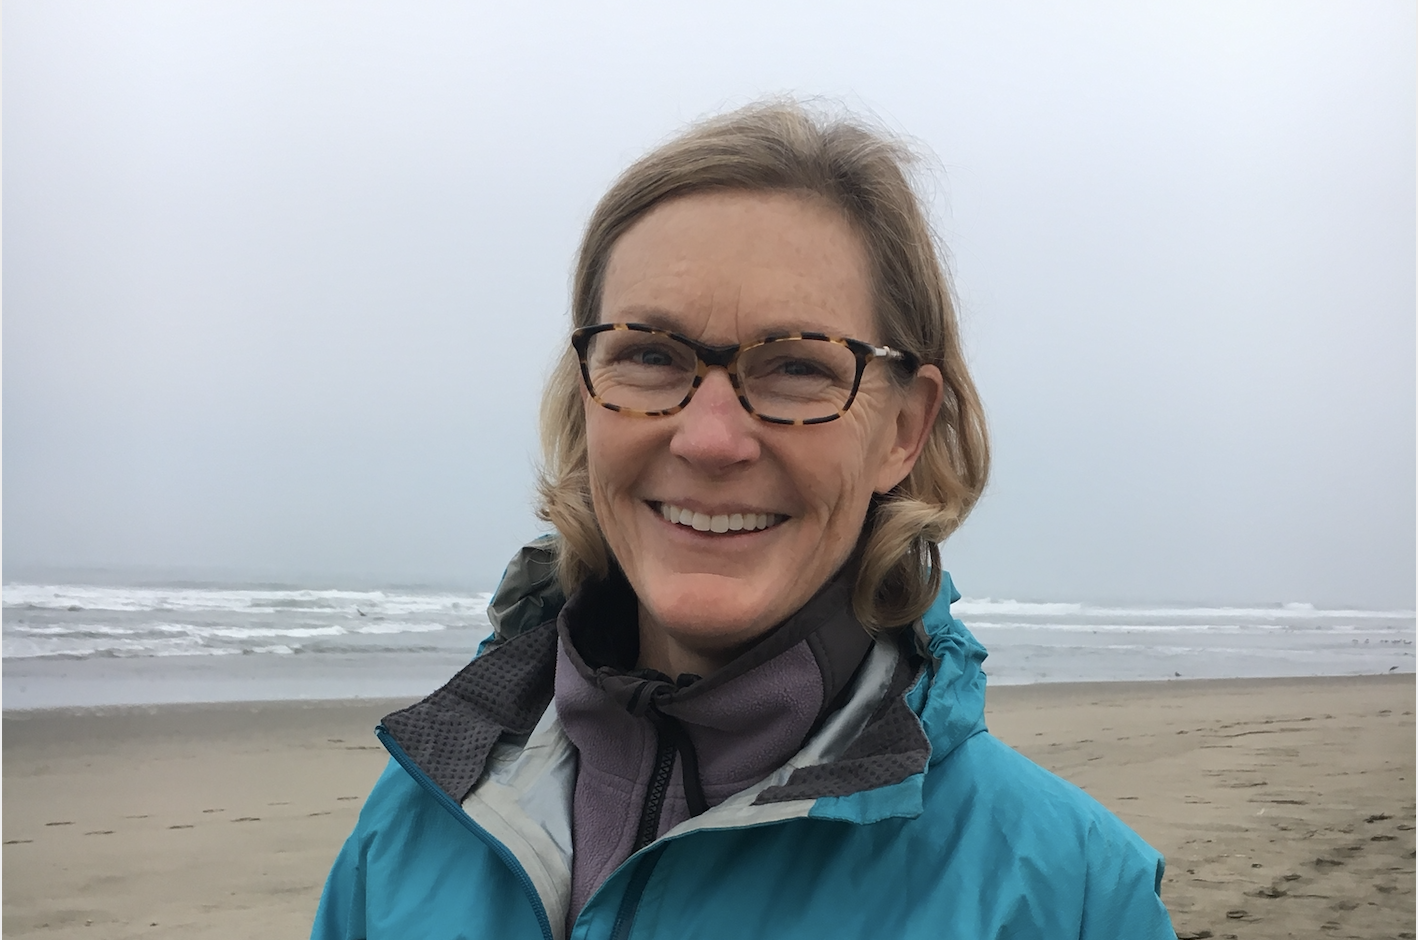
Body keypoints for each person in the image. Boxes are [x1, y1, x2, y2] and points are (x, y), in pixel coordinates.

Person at [312, 100, 1177, 940]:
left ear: (905, 429)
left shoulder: (1072, 898)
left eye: (797, 367)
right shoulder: (411, 828)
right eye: (649, 355)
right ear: (587, 399)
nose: (712, 439)